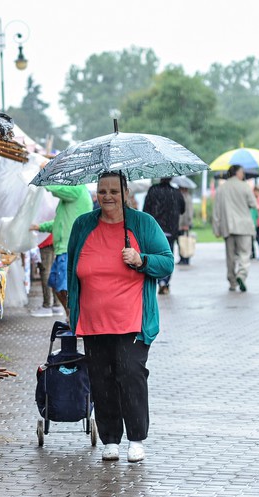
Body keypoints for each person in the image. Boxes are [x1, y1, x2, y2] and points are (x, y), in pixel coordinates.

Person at [67, 171, 173, 463]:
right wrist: (71, 308)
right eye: (102, 191)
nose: (108, 196)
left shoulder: (142, 223)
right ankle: (110, 439)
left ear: (126, 193)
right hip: (93, 320)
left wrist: (142, 260)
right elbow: (72, 267)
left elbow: (167, 262)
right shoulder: (83, 225)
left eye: (114, 190)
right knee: (101, 380)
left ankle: (136, 438)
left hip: (132, 320)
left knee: (130, 375)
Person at [30, 183, 93, 316]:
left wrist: (46, 181)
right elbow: (59, 222)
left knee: (65, 288)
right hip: (63, 249)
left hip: (69, 249)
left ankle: (75, 319)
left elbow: (59, 189)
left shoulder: (77, 189)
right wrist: (39, 227)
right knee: (56, 284)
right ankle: (71, 317)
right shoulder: (70, 198)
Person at [211, 165, 258, 292]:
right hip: (244, 226)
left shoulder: (221, 189)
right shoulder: (245, 186)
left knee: (230, 256)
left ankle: (232, 282)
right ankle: (241, 275)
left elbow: (216, 211)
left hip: (228, 226)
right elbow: (254, 204)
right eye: (242, 172)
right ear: (237, 173)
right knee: (244, 254)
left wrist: (216, 228)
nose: (243, 175)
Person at [142, 178, 185, 294]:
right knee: (167, 256)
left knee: (155, 256)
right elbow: (182, 209)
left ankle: (158, 280)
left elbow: (145, 209)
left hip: (155, 230)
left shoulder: (153, 190)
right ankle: (164, 282)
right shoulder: (176, 192)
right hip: (170, 230)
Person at [30, 234, 64, 317]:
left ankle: (47, 305)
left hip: (45, 241)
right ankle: (56, 304)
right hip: (56, 240)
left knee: (45, 272)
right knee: (55, 271)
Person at [177, 186, 193, 265]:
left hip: (184, 224)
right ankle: (182, 257)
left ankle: (185, 258)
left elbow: (188, 212)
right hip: (180, 224)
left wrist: (187, 223)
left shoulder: (186, 197)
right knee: (181, 241)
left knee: (184, 242)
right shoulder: (184, 196)